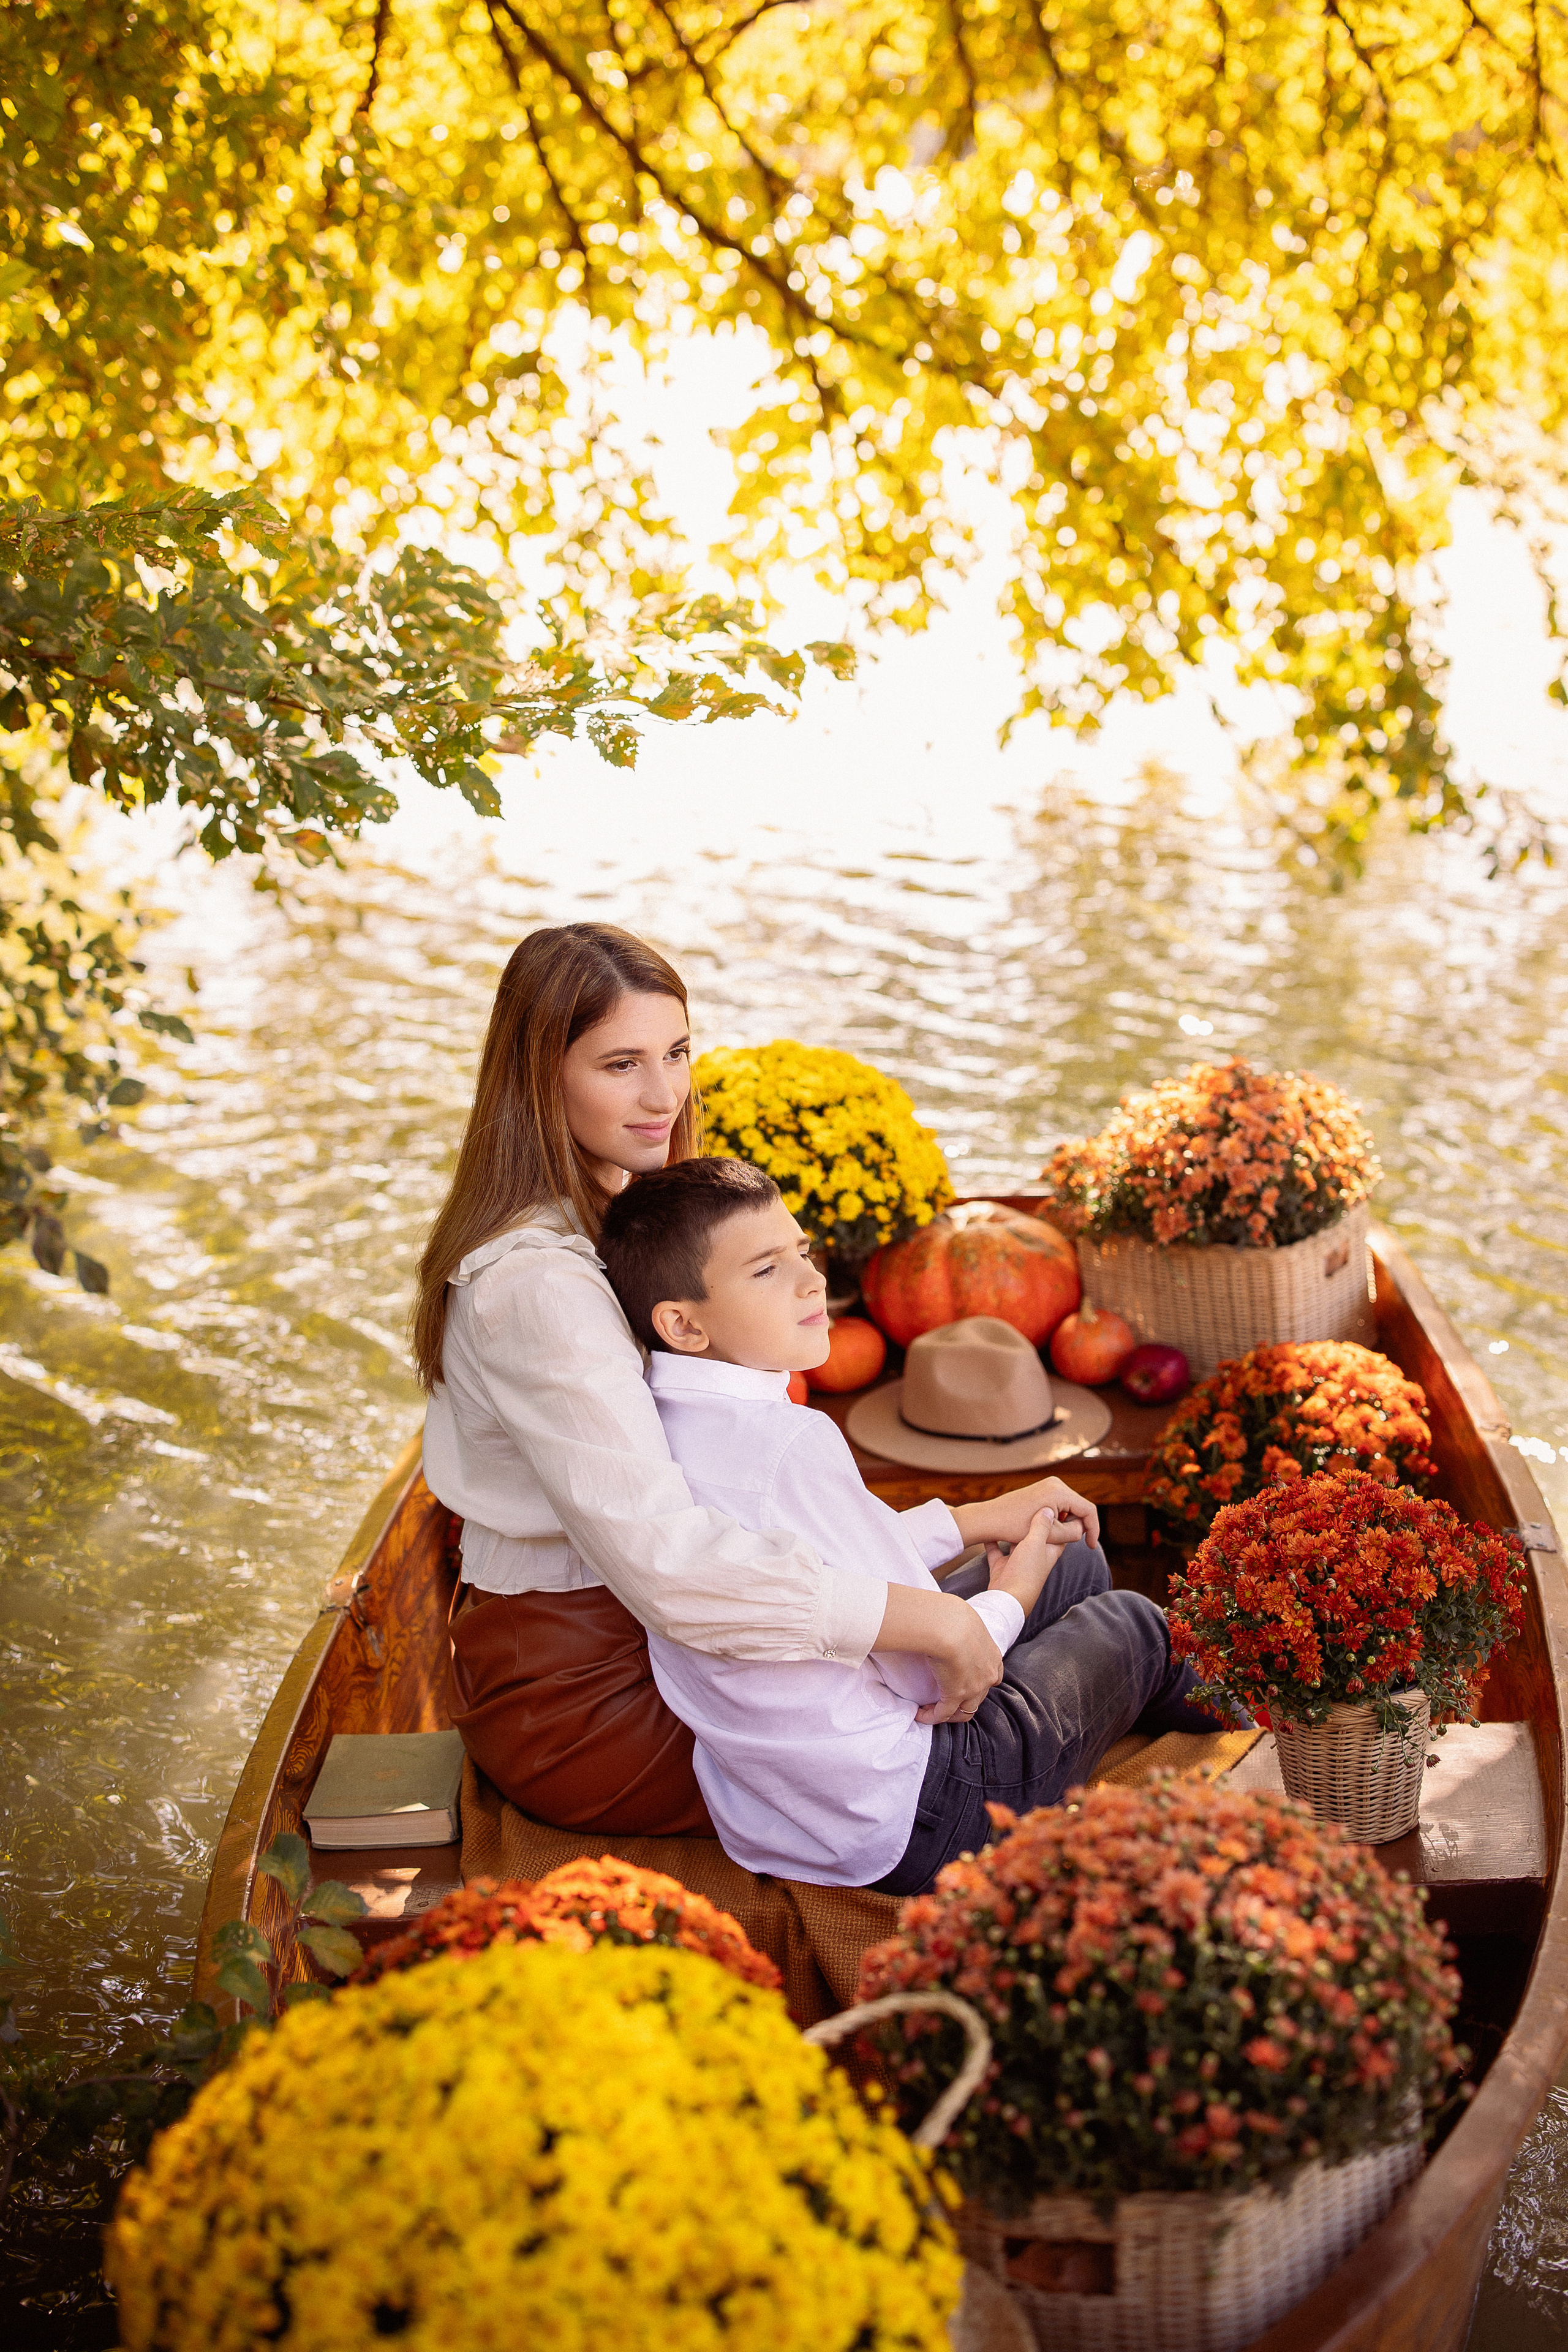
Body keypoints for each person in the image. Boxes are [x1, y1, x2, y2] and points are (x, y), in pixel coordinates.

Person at [412, 921, 1104, 1834]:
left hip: (675, 1641)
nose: (663, 1095)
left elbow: (733, 1532)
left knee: (1069, 1565)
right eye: (620, 1065)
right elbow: (673, 1566)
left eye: (676, 1052)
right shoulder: (540, 1286)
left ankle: (1050, 1792)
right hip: (592, 1694)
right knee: (1090, 1630)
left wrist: (971, 1521)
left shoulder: (610, 1214)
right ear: (542, 1078)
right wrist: (936, 1625)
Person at [597, 1155, 1224, 1893]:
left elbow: (840, 1570)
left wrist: (973, 1521)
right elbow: (929, 1663)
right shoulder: (788, 1446)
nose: (811, 1281)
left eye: (802, 1252)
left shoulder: (660, 1420)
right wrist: (1013, 1591)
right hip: (922, 1808)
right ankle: (1264, 1726)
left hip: (785, 1810)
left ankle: (1124, 1698)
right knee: (1134, 1622)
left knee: (1075, 1563)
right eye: (766, 1270)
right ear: (683, 1323)